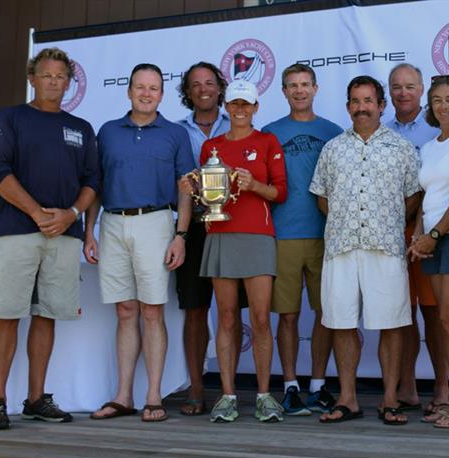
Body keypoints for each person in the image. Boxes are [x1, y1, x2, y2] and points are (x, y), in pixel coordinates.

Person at [0, 47, 99, 430]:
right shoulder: (9, 118)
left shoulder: (81, 128)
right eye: (46, 75)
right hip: (17, 232)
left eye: (61, 76)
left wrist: (71, 215)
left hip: (64, 235)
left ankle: (36, 398)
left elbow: (92, 182)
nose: (53, 82)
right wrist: (36, 213)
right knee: (8, 313)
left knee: (47, 314)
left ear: (69, 82)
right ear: (32, 78)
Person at [85, 63, 193, 423]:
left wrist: (180, 235)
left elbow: (186, 191)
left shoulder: (175, 134)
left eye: (154, 88)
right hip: (113, 223)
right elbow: (96, 186)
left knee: (152, 311)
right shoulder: (108, 132)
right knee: (125, 311)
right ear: (128, 91)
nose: (147, 93)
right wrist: (90, 231)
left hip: (157, 223)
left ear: (162, 94)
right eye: (140, 87)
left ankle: (153, 395)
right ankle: (123, 396)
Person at [310, 75, 420, 425]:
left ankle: (390, 400)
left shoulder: (401, 148)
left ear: (381, 105)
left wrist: (381, 219)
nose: (361, 108)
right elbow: (322, 196)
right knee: (341, 324)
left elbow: (413, 196)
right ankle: (348, 399)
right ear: (348, 107)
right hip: (341, 247)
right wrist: (347, 220)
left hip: (385, 247)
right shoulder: (332, 148)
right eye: (355, 102)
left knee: (391, 325)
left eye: (368, 101)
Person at [180, 78, 288, 423]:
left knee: (259, 320)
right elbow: (205, 196)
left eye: (247, 104)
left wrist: (253, 184)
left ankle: (263, 395)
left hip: (258, 236)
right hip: (221, 235)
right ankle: (227, 396)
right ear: (227, 107)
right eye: (235, 104)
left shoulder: (268, 141)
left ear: (256, 107)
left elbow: (280, 193)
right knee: (226, 318)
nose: (240, 110)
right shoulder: (211, 146)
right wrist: (192, 186)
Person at [263, 64, 342, 415]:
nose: (299, 91)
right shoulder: (269, 133)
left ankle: (319, 384)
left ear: (315, 88)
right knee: (289, 316)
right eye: (292, 85)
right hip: (284, 235)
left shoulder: (334, 131)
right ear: (283, 91)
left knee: (326, 314)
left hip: (328, 235)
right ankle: (291, 385)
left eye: (305, 84)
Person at [407, 74, 449, 428]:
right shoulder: (430, 145)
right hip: (432, 239)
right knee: (443, 322)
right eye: (437, 100)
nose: (444, 106)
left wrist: (434, 234)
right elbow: (427, 197)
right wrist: (420, 233)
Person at [385, 63, 449, 414]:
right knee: (401, 312)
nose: (404, 92)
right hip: (393, 234)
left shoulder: (437, 129)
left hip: (430, 233)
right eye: (397, 87)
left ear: (422, 89)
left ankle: (441, 387)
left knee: (435, 313)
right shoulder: (380, 131)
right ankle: (407, 386)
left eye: (410, 86)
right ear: (389, 92)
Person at [174, 61, 231, 417]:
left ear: (220, 88)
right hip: (193, 226)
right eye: (195, 84)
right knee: (195, 310)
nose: (203, 88)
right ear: (187, 92)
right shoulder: (175, 131)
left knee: (228, 313)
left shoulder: (240, 123)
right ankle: (196, 389)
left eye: (209, 82)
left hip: (231, 226)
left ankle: (230, 392)